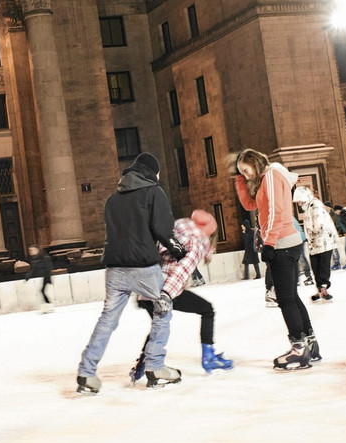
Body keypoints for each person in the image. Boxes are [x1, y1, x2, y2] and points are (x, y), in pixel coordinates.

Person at [77, 152, 184, 393]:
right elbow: (163, 230)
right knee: (162, 309)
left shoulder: (113, 198)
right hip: (143, 266)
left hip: (115, 269)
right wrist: (179, 250)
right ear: (152, 172)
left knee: (107, 319)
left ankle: (86, 372)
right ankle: (155, 366)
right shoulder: (153, 192)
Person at [235, 149, 320, 370]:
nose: (245, 175)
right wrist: (239, 181)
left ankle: (298, 349)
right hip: (286, 242)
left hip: (282, 243)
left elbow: (275, 210)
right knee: (291, 296)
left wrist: (270, 242)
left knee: (285, 299)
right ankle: (310, 342)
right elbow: (250, 205)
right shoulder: (265, 179)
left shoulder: (271, 175)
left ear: (255, 162)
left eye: (245, 170)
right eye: (241, 172)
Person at [129, 210, 233, 382]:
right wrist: (166, 295)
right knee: (207, 310)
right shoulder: (195, 242)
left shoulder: (174, 231)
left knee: (157, 328)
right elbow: (181, 271)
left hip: (148, 288)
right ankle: (209, 357)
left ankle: (142, 363)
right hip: (166, 289)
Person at [294, 187, 338, 302]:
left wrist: (314, 234)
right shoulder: (309, 207)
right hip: (315, 244)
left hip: (323, 242)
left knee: (323, 267)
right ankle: (320, 289)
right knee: (316, 267)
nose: (298, 204)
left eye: (299, 201)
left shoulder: (315, 205)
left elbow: (318, 223)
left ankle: (323, 288)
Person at [24, 245, 54, 311]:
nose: (31, 252)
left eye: (32, 250)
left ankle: (49, 305)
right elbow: (33, 270)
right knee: (42, 291)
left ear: (37, 250)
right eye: (30, 250)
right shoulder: (35, 259)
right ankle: (48, 305)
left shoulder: (43, 257)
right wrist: (27, 277)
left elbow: (49, 266)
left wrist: (48, 276)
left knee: (42, 291)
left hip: (47, 275)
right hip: (44, 275)